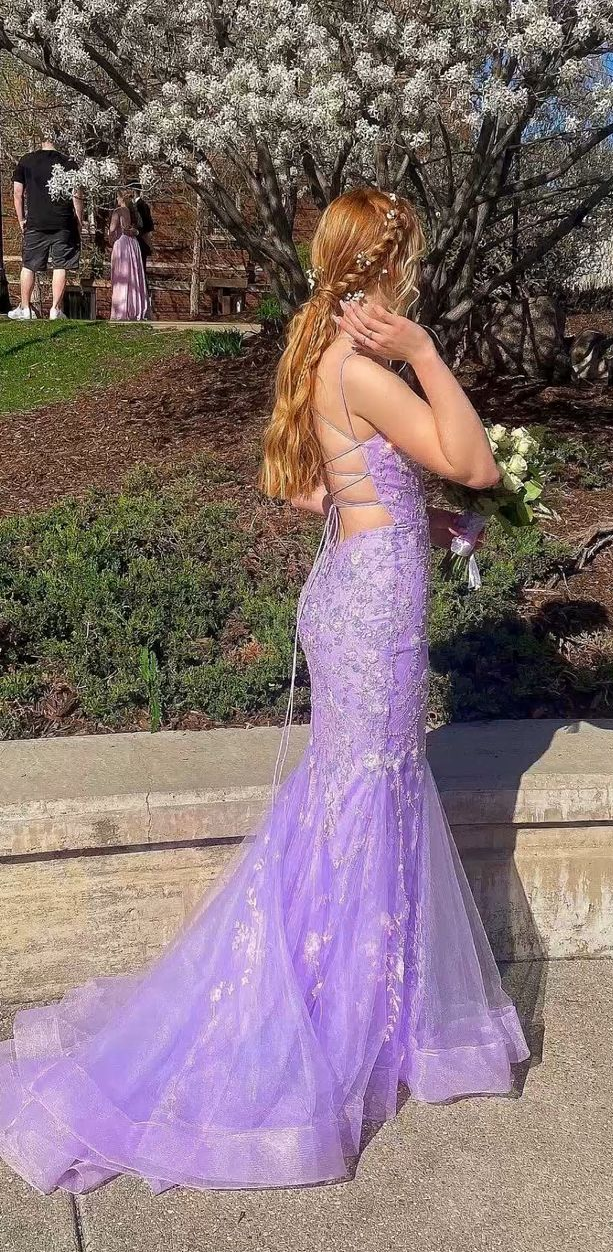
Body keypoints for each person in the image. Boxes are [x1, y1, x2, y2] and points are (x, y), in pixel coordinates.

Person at [0, 188, 528, 1195]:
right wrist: (423, 351)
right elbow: (475, 460)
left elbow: (304, 485)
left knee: (352, 798)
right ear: (381, 269)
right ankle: (327, 1014)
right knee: (364, 796)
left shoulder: (320, 354)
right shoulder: (366, 368)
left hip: (351, 590)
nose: (413, 281)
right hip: (371, 614)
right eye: (407, 266)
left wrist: (417, 517)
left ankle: (358, 1002)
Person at [9, 136, 83, 321]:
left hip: (36, 221)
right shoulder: (69, 162)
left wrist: (21, 219)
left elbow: (17, 193)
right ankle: (55, 310)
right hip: (63, 221)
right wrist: (79, 220)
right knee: (61, 265)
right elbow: (77, 194)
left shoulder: (27, 160)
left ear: (40, 139)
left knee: (29, 265)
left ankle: (25, 308)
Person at [109, 190, 149, 321]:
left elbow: (112, 229)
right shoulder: (134, 212)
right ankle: (135, 309)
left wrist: (110, 239)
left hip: (122, 243)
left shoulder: (118, 211)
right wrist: (134, 232)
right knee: (133, 276)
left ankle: (122, 310)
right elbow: (139, 230)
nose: (116, 199)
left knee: (122, 275)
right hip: (133, 244)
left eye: (117, 197)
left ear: (122, 198)